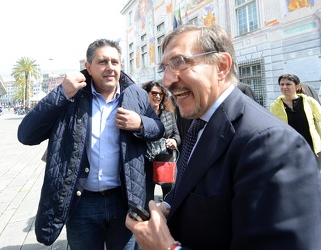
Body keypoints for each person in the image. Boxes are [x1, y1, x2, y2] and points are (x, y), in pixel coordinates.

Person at [125, 25, 321, 250]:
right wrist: (169, 206)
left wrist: (167, 248)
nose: (167, 80)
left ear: (221, 66)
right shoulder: (201, 123)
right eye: (165, 67)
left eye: (180, 62)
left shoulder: (272, 144)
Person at [17, 39, 164, 249]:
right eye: (102, 62)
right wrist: (60, 94)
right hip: (81, 204)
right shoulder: (71, 95)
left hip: (124, 201)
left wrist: (140, 123)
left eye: (115, 62)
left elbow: (158, 129)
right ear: (88, 67)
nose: (110, 68)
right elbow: (26, 135)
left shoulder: (136, 95)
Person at [142, 81, 181, 209]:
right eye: (154, 93)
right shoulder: (140, 114)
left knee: (167, 200)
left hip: (165, 162)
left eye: (160, 94)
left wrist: (174, 141)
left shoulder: (168, 114)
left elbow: (177, 135)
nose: (158, 96)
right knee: (148, 200)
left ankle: (166, 225)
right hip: (146, 162)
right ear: (146, 94)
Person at [270, 73, 321, 169]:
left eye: (288, 84)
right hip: (290, 149)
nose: (284, 87)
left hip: (312, 148)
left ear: (298, 86)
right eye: (282, 84)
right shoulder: (275, 106)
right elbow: (272, 128)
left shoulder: (309, 102)